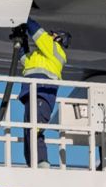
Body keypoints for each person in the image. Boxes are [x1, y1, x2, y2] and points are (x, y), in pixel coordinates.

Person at [14, 19, 71, 167]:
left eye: (52, 34)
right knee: (28, 132)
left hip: (42, 96)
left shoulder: (55, 50)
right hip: (31, 96)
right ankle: (33, 164)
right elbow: (24, 59)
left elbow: (37, 32)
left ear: (58, 38)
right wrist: (21, 39)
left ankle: (41, 163)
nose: (48, 35)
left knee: (35, 130)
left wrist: (24, 18)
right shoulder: (39, 56)